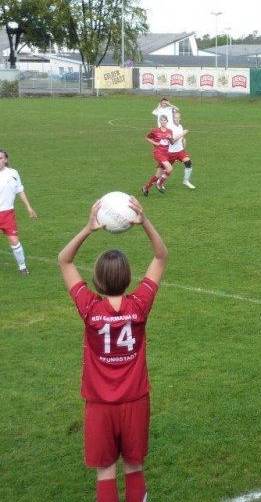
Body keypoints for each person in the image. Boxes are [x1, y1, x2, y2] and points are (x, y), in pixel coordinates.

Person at [57, 196, 167, 502]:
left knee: (105, 471)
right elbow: (161, 257)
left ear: (96, 281)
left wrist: (88, 228)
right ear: (130, 277)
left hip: (100, 405)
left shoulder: (90, 309)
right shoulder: (140, 304)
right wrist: (144, 222)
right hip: (135, 400)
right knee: (134, 466)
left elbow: (63, 260)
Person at [0, 148, 37, 275]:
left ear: (6, 160)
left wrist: (28, 207)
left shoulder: (13, 173)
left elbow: (19, 190)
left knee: (14, 241)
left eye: (0, 158)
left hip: (7, 213)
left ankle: (22, 267)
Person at [142, 115, 174, 196]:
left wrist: (170, 138)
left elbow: (172, 142)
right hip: (158, 153)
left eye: (164, 120)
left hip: (166, 154)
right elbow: (147, 137)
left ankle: (146, 187)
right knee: (169, 169)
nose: (163, 121)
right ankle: (160, 183)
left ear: (167, 121)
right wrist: (155, 143)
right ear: (160, 121)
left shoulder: (170, 131)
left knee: (158, 175)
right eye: (161, 120)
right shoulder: (155, 131)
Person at [167, 112, 195, 189]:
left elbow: (181, 139)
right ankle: (159, 181)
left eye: (178, 117)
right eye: (175, 117)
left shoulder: (180, 126)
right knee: (165, 169)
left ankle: (186, 181)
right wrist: (183, 133)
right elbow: (173, 141)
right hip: (171, 152)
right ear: (173, 118)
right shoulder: (170, 128)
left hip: (180, 151)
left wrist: (183, 141)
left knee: (188, 163)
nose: (177, 119)